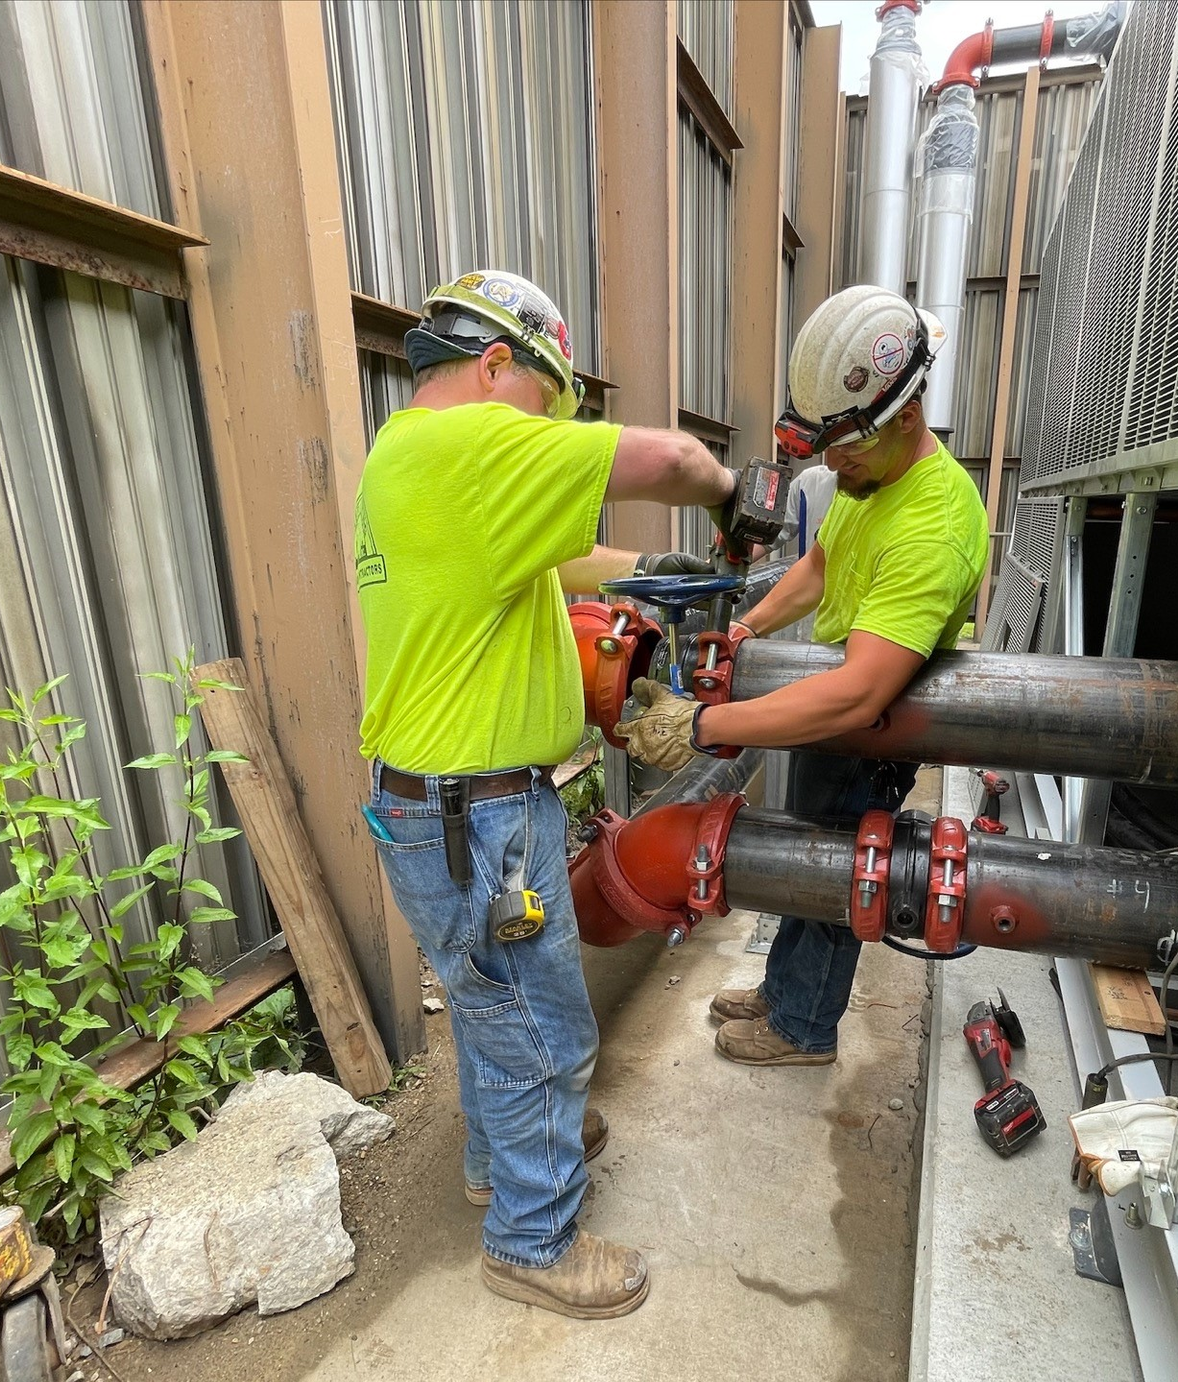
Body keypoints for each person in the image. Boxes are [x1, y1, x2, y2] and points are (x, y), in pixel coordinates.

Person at [355, 269, 736, 1318]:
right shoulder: (471, 443)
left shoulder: (408, 456)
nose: (547, 431)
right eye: (546, 405)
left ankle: (503, 1157)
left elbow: (559, 562)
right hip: (473, 817)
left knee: (492, 1006)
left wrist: (654, 568)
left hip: (440, 807)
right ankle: (532, 1237)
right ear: (493, 367)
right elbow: (680, 459)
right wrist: (733, 508)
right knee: (544, 1030)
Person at [615, 286, 989, 1067]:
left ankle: (804, 1028)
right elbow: (822, 566)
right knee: (806, 855)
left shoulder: (936, 522)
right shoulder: (871, 479)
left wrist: (701, 726)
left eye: (842, 451)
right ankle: (787, 991)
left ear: (908, 420)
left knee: (842, 867)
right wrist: (747, 626)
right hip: (834, 713)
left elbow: (859, 690)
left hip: (869, 729)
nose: (829, 466)